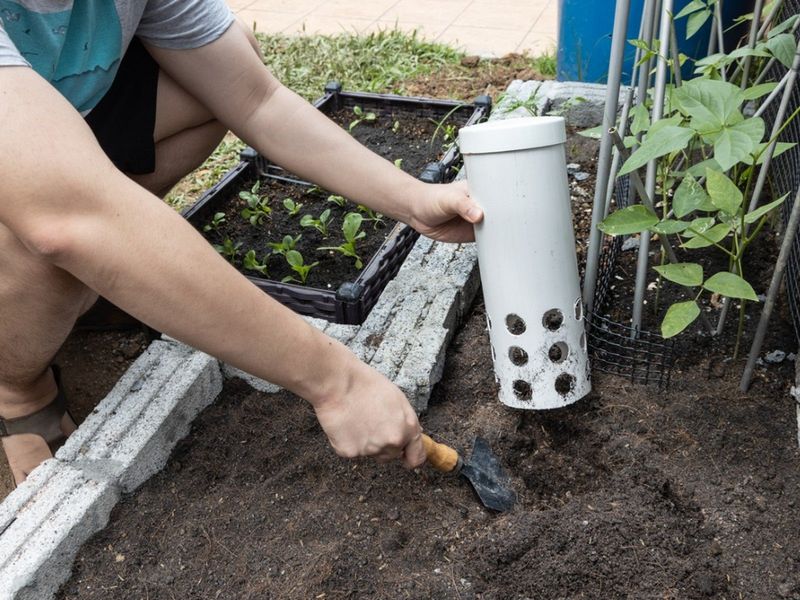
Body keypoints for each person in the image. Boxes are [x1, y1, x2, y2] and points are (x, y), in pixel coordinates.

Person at [0, 0, 483, 487]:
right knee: (54, 234)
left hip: (51, 132)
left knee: (209, 79)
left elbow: (255, 98)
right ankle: (16, 391)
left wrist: (413, 201)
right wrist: (338, 382)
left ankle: (95, 263)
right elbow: (66, 218)